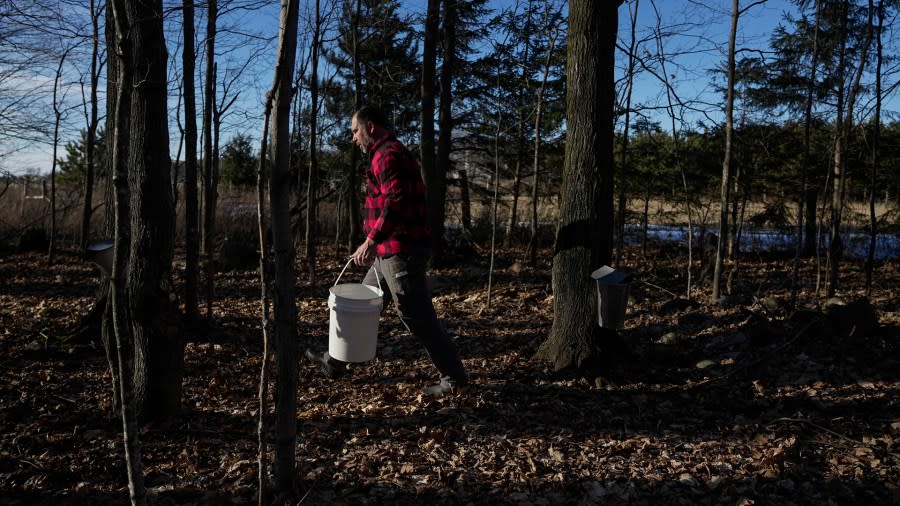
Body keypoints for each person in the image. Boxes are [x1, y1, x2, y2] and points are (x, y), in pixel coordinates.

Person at [305, 105, 468, 397]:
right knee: (361, 301)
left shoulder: (387, 155)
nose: (354, 138)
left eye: (355, 131)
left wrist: (370, 240)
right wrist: (374, 242)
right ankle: (335, 362)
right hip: (387, 250)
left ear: (370, 128)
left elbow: (396, 202)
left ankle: (454, 378)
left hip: (400, 250)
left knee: (416, 315)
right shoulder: (386, 153)